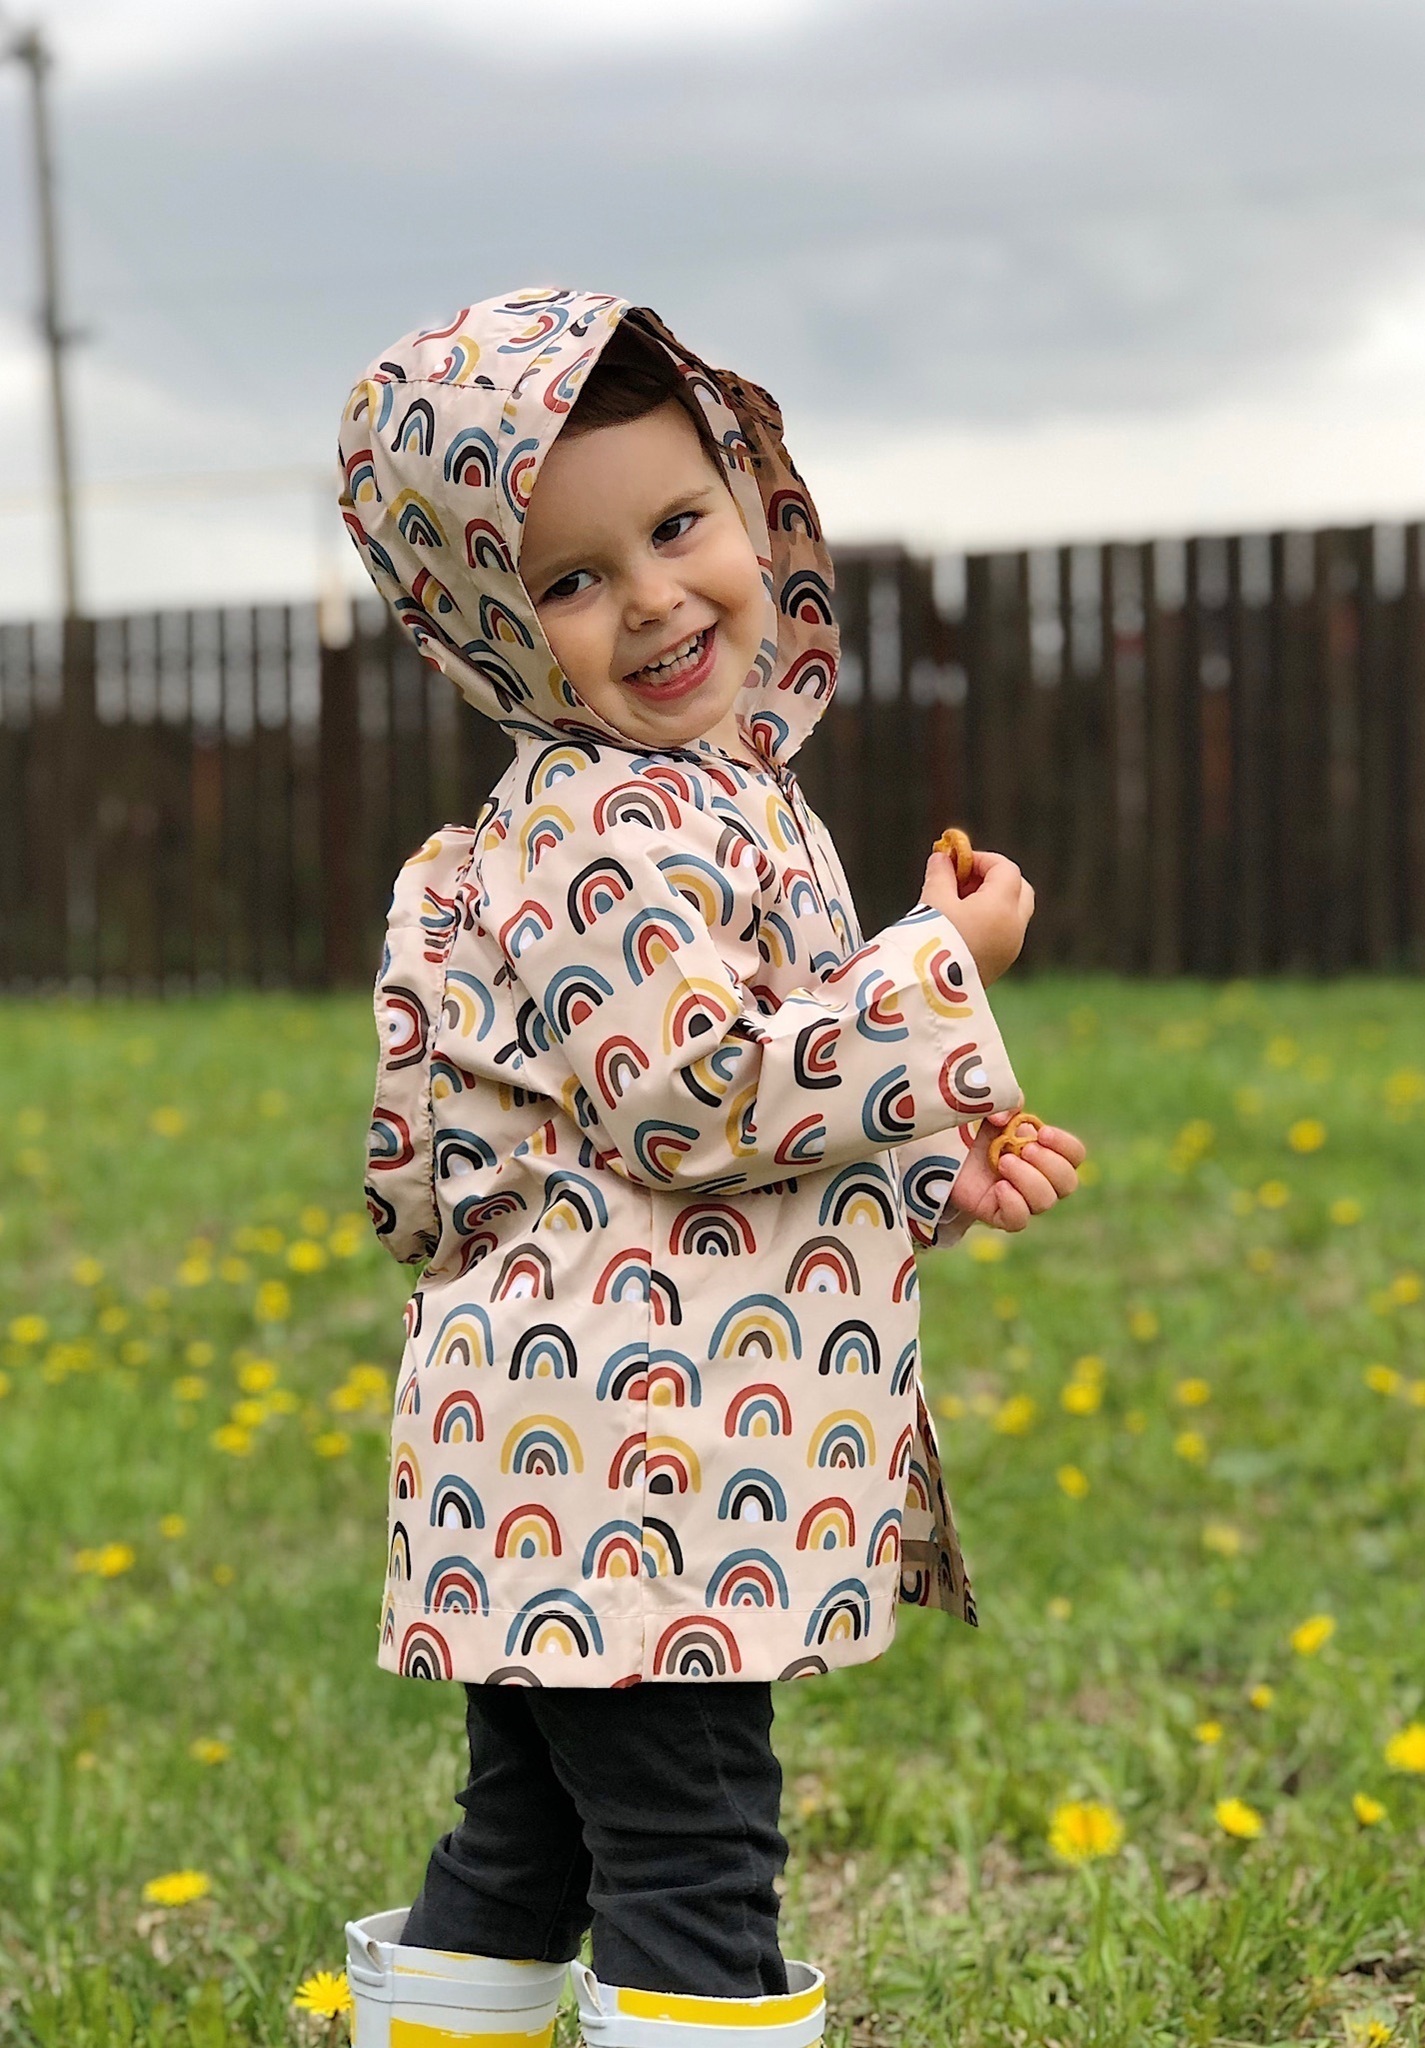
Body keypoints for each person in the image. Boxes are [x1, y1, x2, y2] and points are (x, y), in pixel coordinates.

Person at [334, 289, 1086, 2048]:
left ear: (753, 503)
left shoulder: (704, 796)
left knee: (528, 1848)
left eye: (680, 525)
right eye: (573, 580)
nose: (658, 598)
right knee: (694, 1861)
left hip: (587, 1450)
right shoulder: (602, 819)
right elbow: (690, 1096)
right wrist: (940, 967)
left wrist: (925, 1169)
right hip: (635, 1466)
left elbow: (699, 1158)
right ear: (484, 630)